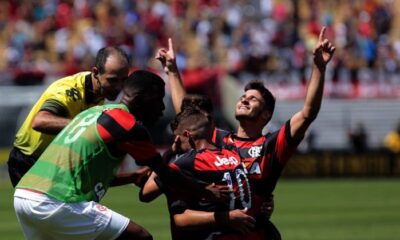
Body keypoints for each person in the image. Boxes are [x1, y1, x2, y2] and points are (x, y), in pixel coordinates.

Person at [157, 26, 335, 238]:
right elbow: (186, 116)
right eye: (244, 96)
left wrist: (318, 67)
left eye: (253, 99)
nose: (244, 99)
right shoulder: (219, 139)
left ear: (265, 115)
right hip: (219, 233)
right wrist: (172, 70)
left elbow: (307, 114)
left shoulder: (271, 146)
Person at [13, 70, 224, 240]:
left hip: (25, 195)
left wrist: (132, 177)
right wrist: (205, 191)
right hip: (57, 201)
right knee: (139, 237)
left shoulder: (93, 113)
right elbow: (165, 173)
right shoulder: (128, 126)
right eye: (159, 100)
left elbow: (86, 174)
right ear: (142, 98)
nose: (161, 108)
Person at [8, 46, 130, 187]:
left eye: (123, 80)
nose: (119, 87)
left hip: (53, 163)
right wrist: (88, 125)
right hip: (28, 161)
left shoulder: (98, 91)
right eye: (113, 80)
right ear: (95, 72)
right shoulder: (69, 91)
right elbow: (40, 121)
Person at [141, 107, 257, 239]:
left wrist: (169, 153)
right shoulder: (234, 156)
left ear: (188, 135)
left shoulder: (189, 161)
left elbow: (146, 194)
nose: (176, 143)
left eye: (176, 138)